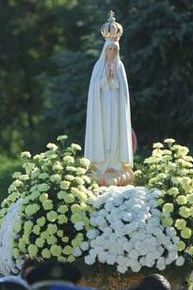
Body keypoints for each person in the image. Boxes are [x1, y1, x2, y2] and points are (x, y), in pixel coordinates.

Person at [84, 11, 133, 186]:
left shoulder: (120, 68)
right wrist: (105, 78)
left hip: (116, 108)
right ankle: (101, 166)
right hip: (102, 107)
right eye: (109, 49)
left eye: (114, 49)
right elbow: (95, 89)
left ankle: (115, 164)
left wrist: (114, 79)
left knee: (115, 133)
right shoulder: (98, 68)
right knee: (103, 132)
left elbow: (123, 91)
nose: (112, 52)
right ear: (105, 51)